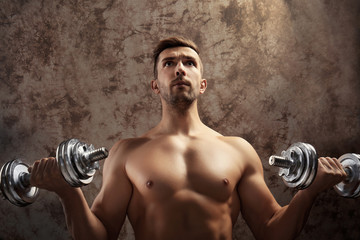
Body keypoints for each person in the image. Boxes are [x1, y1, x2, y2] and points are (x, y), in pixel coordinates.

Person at [29, 36, 347, 240]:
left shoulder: (238, 150)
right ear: (156, 84)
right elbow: (100, 236)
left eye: (189, 63)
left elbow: (271, 232)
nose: (180, 69)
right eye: (169, 63)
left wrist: (311, 191)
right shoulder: (127, 152)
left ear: (203, 83)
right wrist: (68, 193)